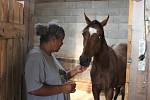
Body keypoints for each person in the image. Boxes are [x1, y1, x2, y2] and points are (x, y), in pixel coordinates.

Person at [25, 22, 87, 100]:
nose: (62, 43)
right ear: (53, 39)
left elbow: (58, 78)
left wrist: (75, 71)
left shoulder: (50, 55)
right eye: (61, 40)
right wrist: (63, 89)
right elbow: (33, 89)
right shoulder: (36, 57)